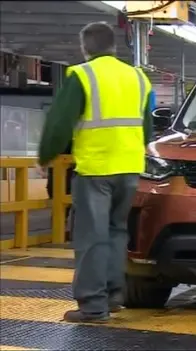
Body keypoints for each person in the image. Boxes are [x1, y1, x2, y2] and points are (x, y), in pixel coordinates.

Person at [36, 21, 154, 323]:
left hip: (96, 169)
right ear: (113, 46)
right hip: (130, 169)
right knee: (117, 232)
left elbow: (60, 121)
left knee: (91, 236)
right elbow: (147, 127)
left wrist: (46, 154)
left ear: (85, 46)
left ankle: (92, 305)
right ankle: (115, 295)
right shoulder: (139, 77)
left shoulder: (82, 75)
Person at [45, 142, 74, 242]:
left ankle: (59, 234)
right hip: (68, 170)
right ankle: (64, 234)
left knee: (62, 205)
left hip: (62, 170)